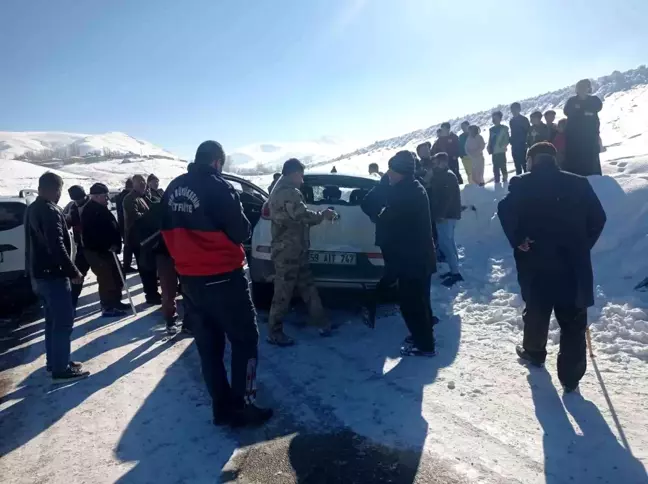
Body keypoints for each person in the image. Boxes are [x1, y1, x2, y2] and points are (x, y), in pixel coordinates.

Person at [161, 140, 272, 427]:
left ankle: (221, 409)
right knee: (246, 341)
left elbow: (159, 228)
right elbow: (240, 231)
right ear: (217, 162)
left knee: (209, 349)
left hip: (191, 282)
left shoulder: (173, 187)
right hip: (224, 278)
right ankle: (243, 406)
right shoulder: (219, 186)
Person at [497, 142, 606, 392]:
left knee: (536, 311)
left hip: (537, 263)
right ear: (554, 159)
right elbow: (599, 218)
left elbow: (504, 209)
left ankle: (534, 353)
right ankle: (571, 378)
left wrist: (518, 239)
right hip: (573, 265)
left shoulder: (521, 183)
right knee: (573, 321)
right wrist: (583, 245)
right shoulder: (579, 183)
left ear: (532, 160)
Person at [24, 172, 90, 382]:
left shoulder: (33, 208)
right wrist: (73, 271)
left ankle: (55, 361)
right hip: (53, 275)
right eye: (60, 190)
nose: (61, 194)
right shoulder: (50, 210)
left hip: (41, 275)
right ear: (54, 189)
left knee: (52, 321)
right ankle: (60, 369)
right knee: (63, 322)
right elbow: (57, 246)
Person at [372, 151, 437, 356]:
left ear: (400, 171)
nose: (389, 173)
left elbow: (386, 218)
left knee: (411, 304)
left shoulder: (406, 193)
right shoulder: (413, 187)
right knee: (421, 301)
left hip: (412, 259)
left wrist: (381, 216)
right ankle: (423, 336)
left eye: (392, 170)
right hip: (419, 256)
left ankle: (424, 346)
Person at [267, 159, 337, 346]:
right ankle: (274, 332)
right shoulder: (287, 192)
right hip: (288, 251)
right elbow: (302, 215)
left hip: (295, 249)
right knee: (283, 293)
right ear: (295, 173)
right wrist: (323, 214)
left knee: (307, 286)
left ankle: (321, 321)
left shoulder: (281, 189)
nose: (303, 181)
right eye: (301, 176)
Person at [81, 183, 129, 317]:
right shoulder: (90, 211)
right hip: (98, 252)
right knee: (106, 278)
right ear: (95, 196)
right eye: (104, 196)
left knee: (117, 275)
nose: (107, 199)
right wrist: (107, 245)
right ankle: (107, 306)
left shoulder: (101, 208)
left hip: (108, 251)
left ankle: (116, 301)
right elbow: (93, 234)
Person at [123, 175, 161, 304]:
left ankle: (153, 292)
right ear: (133, 184)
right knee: (145, 268)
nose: (143, 185)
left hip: (147, 238)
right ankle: (150, 295)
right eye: (140, 183)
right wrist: (151, 215)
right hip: (137, 239)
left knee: (150, 267)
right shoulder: (130, 199)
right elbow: (135, 216)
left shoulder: (143, 197)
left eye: (144, 183)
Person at [427, 153, 463, 287]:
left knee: (445, 243)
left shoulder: (447, 176)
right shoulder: (442, 175)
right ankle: (455, 269)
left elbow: (446, 198)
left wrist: (440, 214)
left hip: (446, 215)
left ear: (443, 162)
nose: (435, 164)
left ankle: (455, 273)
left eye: (436, 162)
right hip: (448, 215)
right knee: (449, 242)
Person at [563, 79, 603, 176]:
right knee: (574, 159)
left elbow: (597, 107)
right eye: (580, 87)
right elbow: (567, 111)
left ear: (589, 88)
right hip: (574, 136)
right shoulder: (572, 101)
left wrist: (581, 112)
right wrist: (584, 112)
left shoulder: (594, 100)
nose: (582, 89)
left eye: (584, 87)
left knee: (591, 159)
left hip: (590, 136)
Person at [65, 185, 91, 308]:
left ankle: (111, 303)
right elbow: (67, 223)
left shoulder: (92, 204)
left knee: (108, 275)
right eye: (76, 199)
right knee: (78, 274)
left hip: (95, 245)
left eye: (80, 198)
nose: (78, 201)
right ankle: (72, 302)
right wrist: (68, 221)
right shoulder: (72, 207)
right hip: (80, 247)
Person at [115, 178, 136, 274]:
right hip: (127, 224)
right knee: (129, 245)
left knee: (128, 245)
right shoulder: (127, 196)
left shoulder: (120, 196)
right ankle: (127, 266)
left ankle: (127, 265)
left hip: (122, 223)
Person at [487, 111, 510, 184]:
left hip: (501, 151)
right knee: (495, 168)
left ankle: (505, 180)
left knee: (503, 166)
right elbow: (490, 139)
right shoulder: (491, 129)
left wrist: (503, 145)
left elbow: (506, 139)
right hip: (494, 152)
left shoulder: (504, 128)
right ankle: (497, 182)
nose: (494, 120)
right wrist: (489, 147)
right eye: (493, 118)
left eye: (496, 118)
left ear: (500, 119)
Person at [509, 102, 530, 175]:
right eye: (512, 110)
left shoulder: (524, 119)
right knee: (517, 165)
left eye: (515, 109)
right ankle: (519, 181)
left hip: (522, 145)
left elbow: (528, 132)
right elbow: (512, 133)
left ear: (519, 109)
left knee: (524, 164)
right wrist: (511, 140)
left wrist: (527, 143)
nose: (513, 111)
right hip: (514, 146)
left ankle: (527, 181)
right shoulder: (511, 121)